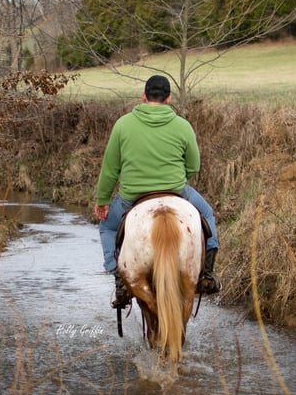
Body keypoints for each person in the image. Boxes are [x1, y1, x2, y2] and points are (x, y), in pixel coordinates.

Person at [94, 74, 221, 309]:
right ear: (169, 99)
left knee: (108, 227)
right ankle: (206, 274)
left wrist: (102, 201)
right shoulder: (183, 125)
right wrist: (175, 179)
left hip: (132, 196)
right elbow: (193, 166)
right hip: (177, 190)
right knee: (208, 214)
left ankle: (119, 279)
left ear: (143, 96)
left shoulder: (123, 124)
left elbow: (110, 169)